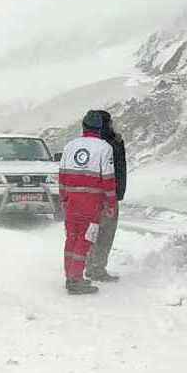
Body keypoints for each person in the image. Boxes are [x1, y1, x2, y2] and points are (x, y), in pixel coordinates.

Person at [59, 110, 117, 295]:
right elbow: (108, 179)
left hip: (72, 201)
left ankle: (70, 276)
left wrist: (63, 198)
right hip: (91, 203)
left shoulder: (70, 146)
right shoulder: (104, 148)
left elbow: (61, 175)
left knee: (71, 237)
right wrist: (111, 203)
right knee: (85, 239)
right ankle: (76, 280)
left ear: (83, 126)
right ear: (99, 128)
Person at [86, 110, 126, 282]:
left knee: (93, 232)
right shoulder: (110, 144)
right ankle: (97, 268)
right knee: (104, 233)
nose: (112, 125)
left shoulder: (92, 143)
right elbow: (115, 172)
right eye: (109, 122)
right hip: (107, 195)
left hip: (95, 195)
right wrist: (114, 196)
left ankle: (91, 266)